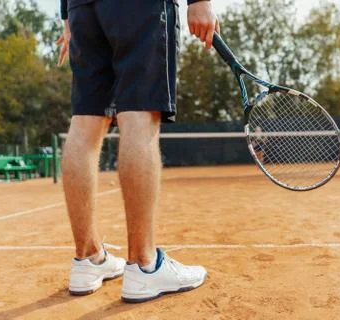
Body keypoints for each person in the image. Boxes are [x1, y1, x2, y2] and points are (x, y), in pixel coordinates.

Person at [57, 0, 220, 302]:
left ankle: (87, 259)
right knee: (140, 115)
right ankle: (144, 266)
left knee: (84, 121)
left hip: (82, 8)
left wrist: (67, 17)